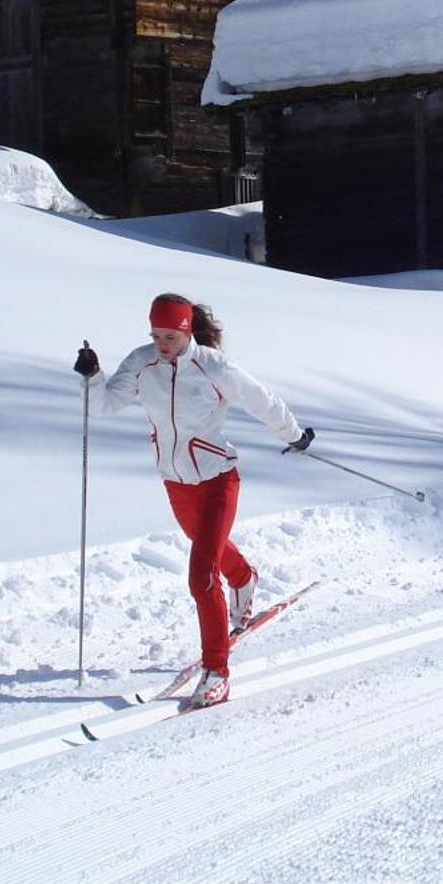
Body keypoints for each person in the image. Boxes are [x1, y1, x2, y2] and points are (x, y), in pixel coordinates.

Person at [74, 294, 313, 708]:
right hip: (176, 480)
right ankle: (243, 578)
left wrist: (293, 435)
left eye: (170, 335)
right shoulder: (141, 363)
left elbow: (263, 401)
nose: (162, 343)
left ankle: (217, 672)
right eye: (156, 335)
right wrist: (93, 377)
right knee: (211, 552)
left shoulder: (213, 366)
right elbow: (105, 406)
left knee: (201, 576)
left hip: (219, 478)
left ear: (186, 331)